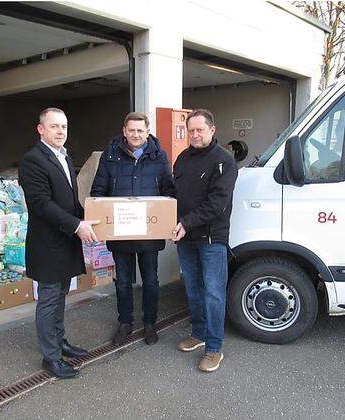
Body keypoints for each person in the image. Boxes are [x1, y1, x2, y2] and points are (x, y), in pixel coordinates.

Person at [19, 107, 99, 379]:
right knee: (50, 299)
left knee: (61, 296)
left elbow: (69, 199)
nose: (60, 131)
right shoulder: (33, 160)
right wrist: (77, 225)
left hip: (65, 243)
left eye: (63, 126)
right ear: (40, 129)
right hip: (48, 245)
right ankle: (50, 358)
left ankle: (59, 342)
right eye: (54, 126)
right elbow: (41, 204)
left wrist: (89, 216)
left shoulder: (64, 155)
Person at [90, 112, 175, 346]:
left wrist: (165, 219)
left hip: (149, 234)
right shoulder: (110, 156)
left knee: (150, 280)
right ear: (124, 131)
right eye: (131, 130)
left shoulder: (159, 157)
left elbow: (169, 191)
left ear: (147, 131)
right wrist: (101, 218)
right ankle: (125, 323)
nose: (136, 134)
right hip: (120, 233)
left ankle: (150, 323)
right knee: (124, 281)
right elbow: (98, 191)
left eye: (140, 130)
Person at [172, 109, 238, 372]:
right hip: (186, 238)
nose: (195, 135)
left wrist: (185, 223)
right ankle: (198, 335)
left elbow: (217, 204)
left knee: (213, 293)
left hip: (211, 239)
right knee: (192, 289)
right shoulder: (183, 158)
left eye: (200, 130)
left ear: (212, 130)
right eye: (191, 130)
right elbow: (173, 194)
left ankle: (214, 348)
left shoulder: (224, 161)